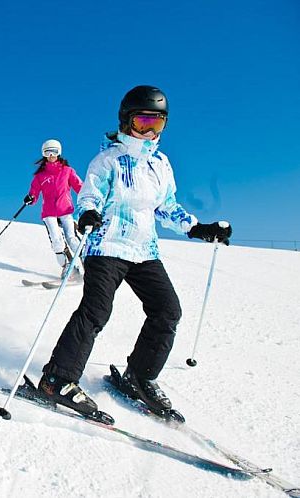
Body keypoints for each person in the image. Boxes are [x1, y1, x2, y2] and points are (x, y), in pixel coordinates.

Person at [34, 85, 232, 417]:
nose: (150, 131)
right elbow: (89, 196)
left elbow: (166, 206)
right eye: (143, 122)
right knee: (96, 311)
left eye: (158, 124)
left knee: (168, 311)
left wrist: (197, 228)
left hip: (144, 250)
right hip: (106, 246)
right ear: (127, 122)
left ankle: (139, 376)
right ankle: (57, 379)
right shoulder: (107, 159)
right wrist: (87, 214)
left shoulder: (161, 164)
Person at [24, 139, 83, 280]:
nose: (51, 155)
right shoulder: (40, 176)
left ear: (59, 153)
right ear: (43, 154)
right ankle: (68, 268)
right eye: (47, 152)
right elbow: (34, 192)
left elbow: (80, 187)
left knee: (72, 239)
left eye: (54, 152)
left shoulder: (67, 171)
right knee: (57, 241)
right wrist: (30, 198)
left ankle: (89, 265)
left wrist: (91, 197)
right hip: (49, 212)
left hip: (65, 209)